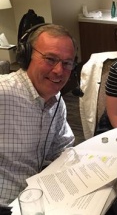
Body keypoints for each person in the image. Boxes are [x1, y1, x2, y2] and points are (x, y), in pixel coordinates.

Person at [0, 24, 76, 205]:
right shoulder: (3, 93)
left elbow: (63, 147)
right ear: (26, 57)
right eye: (50, 59)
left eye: (67, 63)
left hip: (36, 196)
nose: (59, 71)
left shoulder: (56, 100)